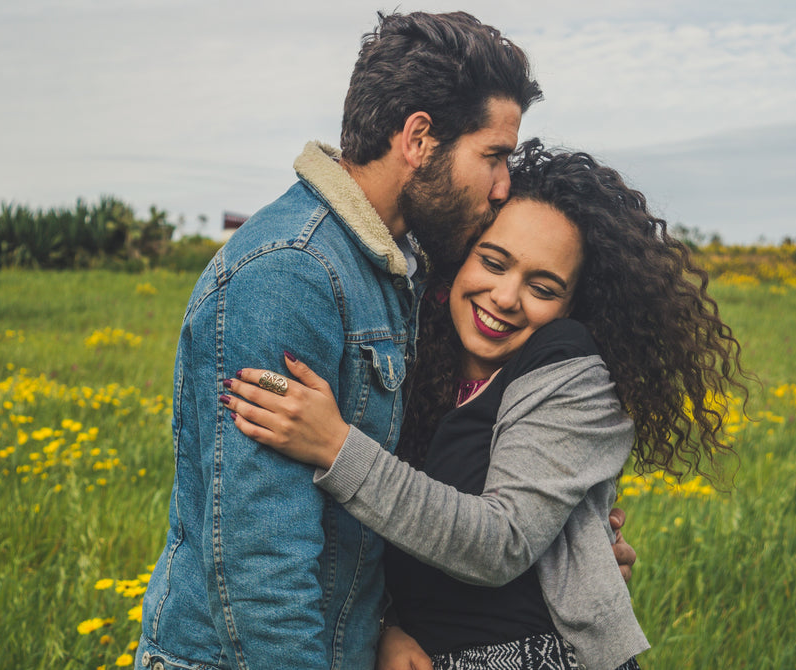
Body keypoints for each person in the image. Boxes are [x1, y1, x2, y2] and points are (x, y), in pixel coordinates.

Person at [136, 12, 635, 670]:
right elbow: (262, 567)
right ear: (420, 139)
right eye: (494, 156)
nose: (504, 183)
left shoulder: (397, 267)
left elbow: (367, 524)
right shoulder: (290, 275)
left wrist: (388, 626)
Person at [223, 140, 748, 669]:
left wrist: (335, 446)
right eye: (493, 262)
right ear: (458, 257)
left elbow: (500, 542)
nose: (504, 296)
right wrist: (388, 624)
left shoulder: (573, 370)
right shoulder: (413, 357)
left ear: (574, 306)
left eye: (542, 287)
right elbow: (379, 530)